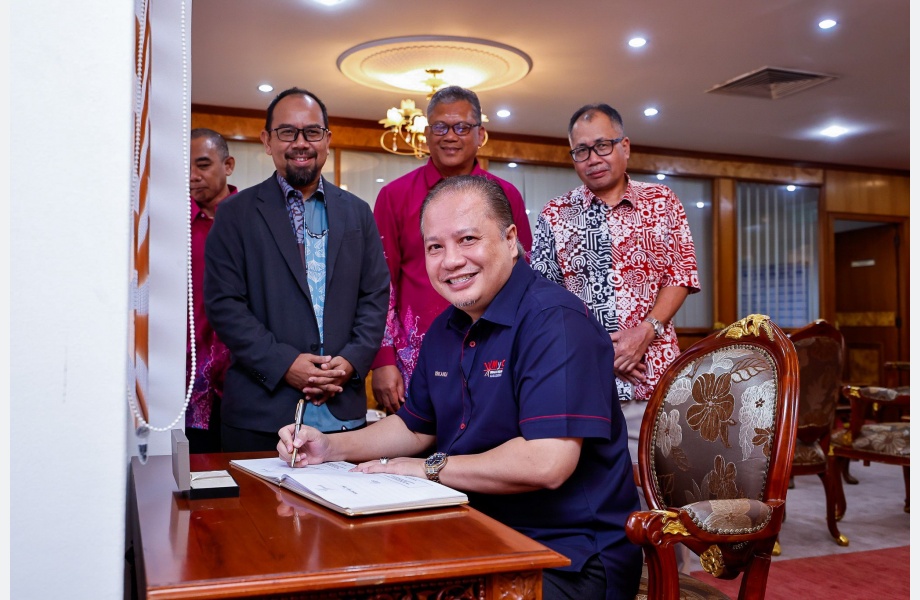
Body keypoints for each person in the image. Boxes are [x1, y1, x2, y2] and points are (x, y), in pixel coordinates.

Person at [278, 176, 642, 600]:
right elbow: (416, 427)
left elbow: (546, 462)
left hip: (567, 557)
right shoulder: (445, 330)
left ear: (510, 240)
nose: (450, 261)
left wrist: (427, 468)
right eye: (435, 247)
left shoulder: (556, 322)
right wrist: (330, 447)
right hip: (473, 532)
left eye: (467, 239)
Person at [204, 87, 389, 451]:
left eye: (312, 132)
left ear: (327, 140)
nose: (300, 143)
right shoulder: (235, 214)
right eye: (287, 132)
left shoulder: (357, 212)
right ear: (267, 141)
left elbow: (375, 296)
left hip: (343, 416)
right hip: (260, 415)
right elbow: (225, 305)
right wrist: (285, 364)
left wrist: (350, 362)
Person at [531, 103, 700, 463]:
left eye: (602, 145)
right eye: (581, 150)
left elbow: (681, 274)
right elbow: (543, 300)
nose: (592, 158)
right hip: (581, 378)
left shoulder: (663, 202)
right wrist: (597, 350)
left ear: (625, 146)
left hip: (652, 376)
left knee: (656, 489)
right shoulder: (554, 214)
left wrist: (646, 330)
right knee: (587, 491)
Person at [370, 85, 533, 414]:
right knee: (411, 452)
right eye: (440, 127)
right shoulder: (394, 195)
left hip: (496, 351)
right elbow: (379, 286)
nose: (450, 136)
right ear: (427, 134)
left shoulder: (505, 194)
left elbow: (523, 278)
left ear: (480, 135)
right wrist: (383, 360)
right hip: (414, 359)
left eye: (462, 127)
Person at [186, 128, 237, 453]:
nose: (192, 176)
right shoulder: (171, 224)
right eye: (186, 168)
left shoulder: (251, 218)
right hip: (185, 381)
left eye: (202, 165)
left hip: (242, 375)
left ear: (228, 165)